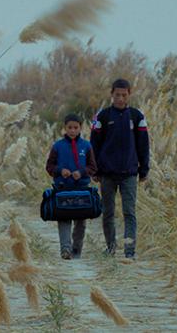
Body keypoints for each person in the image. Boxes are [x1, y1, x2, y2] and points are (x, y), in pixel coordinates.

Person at [90, 78, 150, 259]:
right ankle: (110, 248)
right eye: (117, 95)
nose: (120, 99)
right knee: (108, 213)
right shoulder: (102, 117)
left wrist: (144, 169)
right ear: (112, 94)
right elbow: (94, 145)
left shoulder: (137, 117)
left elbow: (143, 145)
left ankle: (129, 251)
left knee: (129, 213)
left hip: (129, 173)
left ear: (129, 94)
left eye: (124, 95)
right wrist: (94, 170)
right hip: (107, 173)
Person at [45, 113, 98, 260]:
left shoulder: (86, 146)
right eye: (69, 127)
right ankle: (65, 249)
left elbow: (93, 167)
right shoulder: (58, 146)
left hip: (82, 189)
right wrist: (60, 171)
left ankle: (76, 250)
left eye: (76, 127)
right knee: (64, 218)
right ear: (65, 128)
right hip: (62, 188)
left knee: (80, 221)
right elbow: (49, 166)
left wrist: (81, 173)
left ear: (81, 128)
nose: (72, 130)